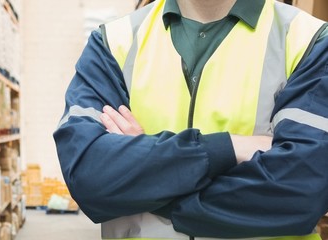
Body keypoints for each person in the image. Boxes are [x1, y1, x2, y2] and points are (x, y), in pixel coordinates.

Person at [53, 0, 328, 239]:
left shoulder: (308, 41)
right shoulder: (112, 43)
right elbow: (89, 175)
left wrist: (145, 183)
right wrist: (230, 147)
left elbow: (302, 190)